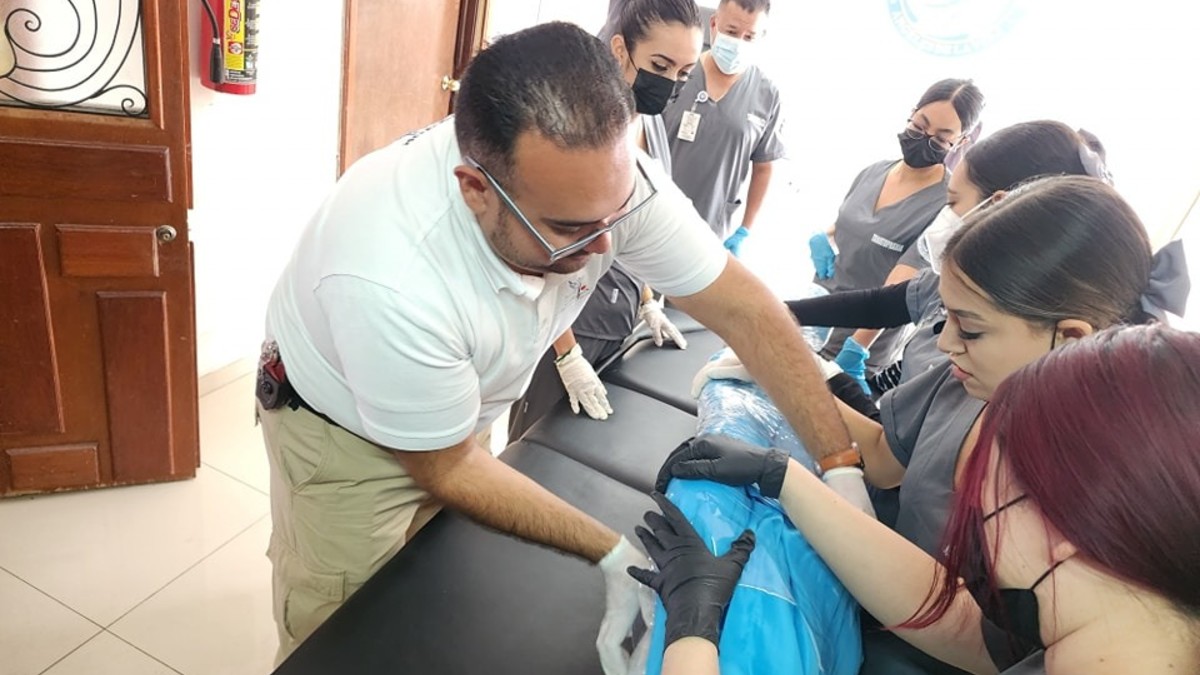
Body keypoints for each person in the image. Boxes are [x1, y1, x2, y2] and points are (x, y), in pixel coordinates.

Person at [256, 21, 862, 671]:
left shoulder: (601, 186)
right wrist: (611, 552)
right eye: (572, 229)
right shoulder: (390, 278)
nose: (605, 248)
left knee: (424, 573)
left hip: (453, 403)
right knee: (347, 626)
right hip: (345, 438)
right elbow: (447, 466)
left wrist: (842, 465)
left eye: (616, 214)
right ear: (476, 190)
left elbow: (744, 308)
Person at [689, 174, 1190, 673]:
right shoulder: (970, 382)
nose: (946, 343)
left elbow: (974, 632)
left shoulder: (1105, 481)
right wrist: (788, 389)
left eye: (970, 328)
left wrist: (689, 645)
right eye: (943, 318)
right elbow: (889, 469)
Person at [639, 323, 1200, 675]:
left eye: (985, 471)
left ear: (1068, 513)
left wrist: (692, 639)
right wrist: (784, 477)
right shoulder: (1106, 630)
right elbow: (964, 628)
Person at [786, 121, 1114, 396]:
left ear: (1000, 207)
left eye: (954, 202)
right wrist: (780, 314)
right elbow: (884, 306)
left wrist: (828, 381)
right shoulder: (962, 287)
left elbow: (899, 452)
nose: (947, 342)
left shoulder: (994, 366)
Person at [508, 0, 703, 441]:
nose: (670, 83)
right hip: (569, 322)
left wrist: (647, 299)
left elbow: (637, 222)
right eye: (660, 64)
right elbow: (543, 257)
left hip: (619, 311)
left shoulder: (646, 123)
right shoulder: (575, 130)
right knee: (537, 444)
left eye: (684, 73)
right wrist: (567, 354)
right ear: (620, 50)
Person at [809, 79, 983, 392]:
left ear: (960, 142)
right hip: (819, 319)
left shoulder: (945, 205)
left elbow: (900, 285)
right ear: (912, 113)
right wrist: (824, 236)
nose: (925, 139)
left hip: (861, 342)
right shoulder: (875, 171)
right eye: (921, 125)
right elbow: (855, 222)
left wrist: (856, 348)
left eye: (942, 138)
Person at [660, 0, 784, 256]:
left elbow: (764, 167)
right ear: (714, 24)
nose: (739, 42)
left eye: (749, 36)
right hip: (654, 214)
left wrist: (744, 230)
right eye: (731, 32)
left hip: (711, 229)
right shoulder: (677, 71)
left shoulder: (767, 94)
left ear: (761, 37)